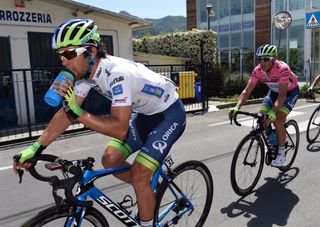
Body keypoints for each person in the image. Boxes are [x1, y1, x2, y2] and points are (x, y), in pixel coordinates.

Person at [12, 18, 186, 227]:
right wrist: (35, 147)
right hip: (143, 115)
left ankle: (144, 193)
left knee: (140, 176)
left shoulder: (117, 74)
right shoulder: (85, 75)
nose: (63, 61)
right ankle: (146, 189)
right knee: (110, 159)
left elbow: (120, 129)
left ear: (91, 51)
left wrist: (79, 113)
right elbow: (66, 113)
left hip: (168, 115)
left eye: (69, 54)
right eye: (60, 55)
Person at [229, 44, 300, 167]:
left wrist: (273, 111)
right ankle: (274, 143)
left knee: (277, 120)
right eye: (260, 59)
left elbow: (282, 95)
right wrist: (237, 107)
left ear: (273, 59)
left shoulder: (283, 68)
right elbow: (246, 91)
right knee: (262, 117)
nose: (262, 62)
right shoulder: (258, 70)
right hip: (273, 92)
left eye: (266, 59)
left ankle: (282, 153)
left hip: (289, 92)